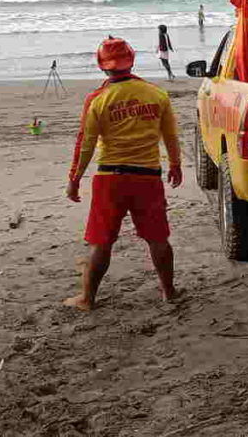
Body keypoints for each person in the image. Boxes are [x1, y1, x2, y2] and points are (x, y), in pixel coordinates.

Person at [64, 37, 183, 311]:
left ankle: (87, 299)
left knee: (101, 241)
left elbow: (85, 144)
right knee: (157, 238)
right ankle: (169, 291)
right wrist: (175, 165)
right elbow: (171, 136)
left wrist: (74, 180)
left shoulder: (97, 99)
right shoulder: (156, 94)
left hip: (110, 178)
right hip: (148, 177)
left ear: (102, 66)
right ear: (131, 61)